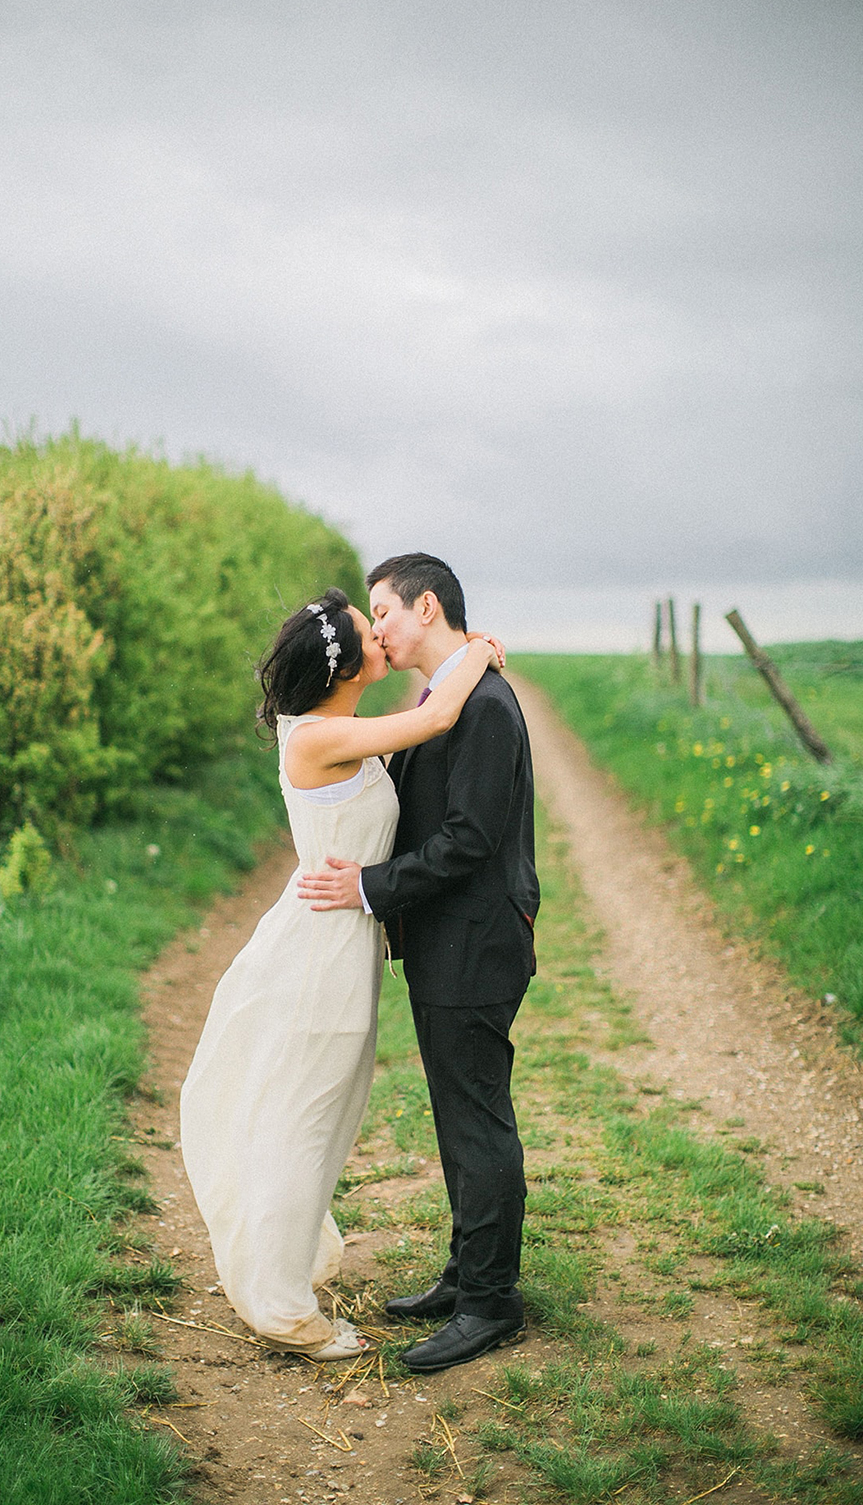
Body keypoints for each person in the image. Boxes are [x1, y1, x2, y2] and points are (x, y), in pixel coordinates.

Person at [179, 588, 501, 1361]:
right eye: (370, 631)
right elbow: (432, 720)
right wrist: (477, 654)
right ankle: (283, 1308)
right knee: (306, 1118)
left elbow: (418, 724)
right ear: (347, 664)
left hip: (340, 947)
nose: (383, 635)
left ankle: (279, 1263)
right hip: (316, 956)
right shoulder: (318, 738)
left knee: (322, 1117)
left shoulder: (338, 727)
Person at [297, 554, 539, 1374]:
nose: (378, 629)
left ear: (426, 605)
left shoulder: (487, 709)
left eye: (383, 611)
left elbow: (469, 839)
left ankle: (491, 1302)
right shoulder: (448, 698)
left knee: (477, 1121)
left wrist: (368, 886)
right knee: (457, 1117)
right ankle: (467, 1273)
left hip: (476, 945)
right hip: (447, 944)